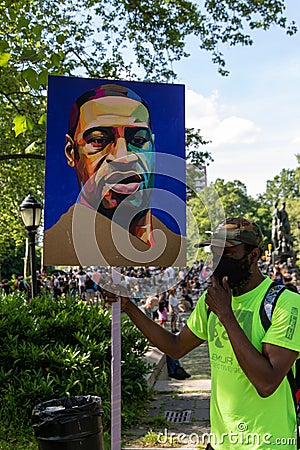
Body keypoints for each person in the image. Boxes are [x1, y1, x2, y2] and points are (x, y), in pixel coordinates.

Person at [103, 217, 300, 450]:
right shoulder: (213, 301)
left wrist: (226, 314)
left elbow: (267, 383)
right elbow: (176, 347)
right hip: (220, 441)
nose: (217, 261)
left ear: (254, 256)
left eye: (226, 253)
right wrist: (129, 308)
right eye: (214, 253)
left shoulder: (285, 304)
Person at [44, 83, 185, 267]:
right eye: (98, 140)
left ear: (153, 146)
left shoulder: (176, 246)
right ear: (72, 152)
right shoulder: (58, 242)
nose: (123, 158)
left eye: (139, 140)